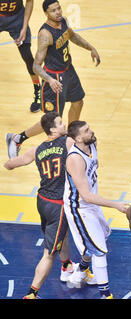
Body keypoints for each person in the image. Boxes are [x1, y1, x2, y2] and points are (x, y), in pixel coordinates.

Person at [5, 0, 101, 159]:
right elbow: (36, 66)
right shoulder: (45, 34)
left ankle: (70, 140)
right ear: (46, 14)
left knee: (78, 102)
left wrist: (91, 48)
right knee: (52, 122)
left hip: (68, 70)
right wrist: (49, 80)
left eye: (58, 8)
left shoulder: (63, 22)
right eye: (53, 11)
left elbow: (72, 36)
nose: (58, 12)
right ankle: (17, 139)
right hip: (54, 78)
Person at [3, 112, 76, 299]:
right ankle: (32, 293)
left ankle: (66, 264)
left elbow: (9, 165)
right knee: (48, 253)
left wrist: (12, 152)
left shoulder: (36, 149)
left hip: (42, 200)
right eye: (60, 123)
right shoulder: (68, 142)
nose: (64, 124)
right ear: (52, 129)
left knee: (61, 232)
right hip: (58, 204)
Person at [63, 120, 128, 299]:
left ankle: (81, 270)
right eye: (86, 131)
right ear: (78, 138)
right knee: (99, 249)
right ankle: (105, 295)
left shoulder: (92, 144)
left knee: (103, 236)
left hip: (91, 203)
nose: (91, 132)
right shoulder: (75, 159)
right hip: (79, 208)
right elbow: (86, 195)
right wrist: (116, 205)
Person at [0, 0, 41, 112]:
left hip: (17, 19)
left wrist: (24, 26)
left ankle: (38, 89)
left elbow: (29, 2)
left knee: (27, 56)